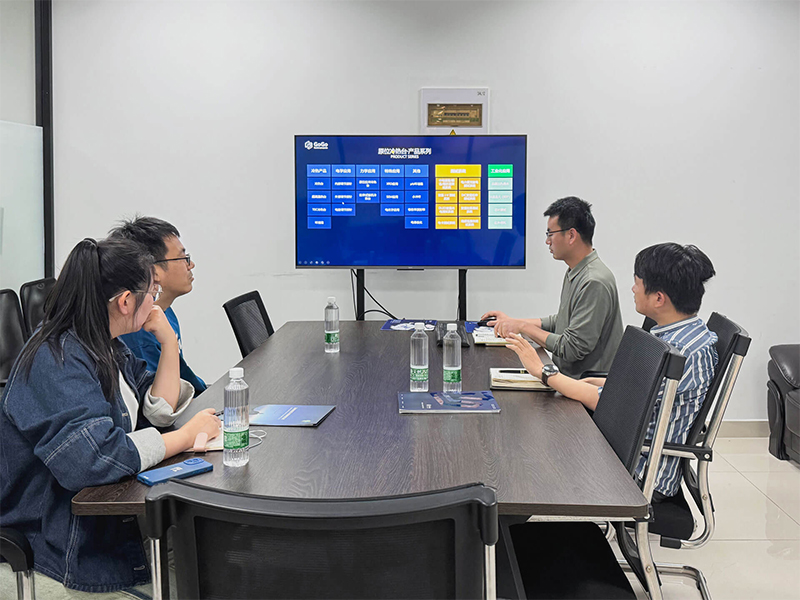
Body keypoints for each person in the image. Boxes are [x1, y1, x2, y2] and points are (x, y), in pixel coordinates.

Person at [0, 237, 221, 596]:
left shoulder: (104, 343)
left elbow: (157, 408)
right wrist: (185, 437)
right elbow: (92, 460)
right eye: (152, 292)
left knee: (218, 564)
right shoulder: (55, 358)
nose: (155, 301)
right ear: (125, 301)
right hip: (62, 545)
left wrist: (168, 342)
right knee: (207, 578)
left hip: (112, 526)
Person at [505, 243, 718, 500]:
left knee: (524, 453)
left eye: (637, 283)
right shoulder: (685, 335)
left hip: (639, 471)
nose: (633, 289)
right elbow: (630, 391)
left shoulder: (679, 354)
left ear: (659, 298)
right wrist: (581, 381)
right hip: (629, 447)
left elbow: (608, 402)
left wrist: (544, 372)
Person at [481, 196, 623, 378]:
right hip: (567, 377)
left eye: (550, 234)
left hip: (582, 385)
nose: (547, 241)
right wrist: (514, 322)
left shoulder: (594, 281)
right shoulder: (576, 271)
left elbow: (571, 348)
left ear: (571, 235)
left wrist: (523, 327)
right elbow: (562, 322)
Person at [109, 216, 207, 396]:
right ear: (153, 271)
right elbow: (157, 402)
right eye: (183, 258)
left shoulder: (163, 311)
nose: (191, 265)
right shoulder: (140, 334)